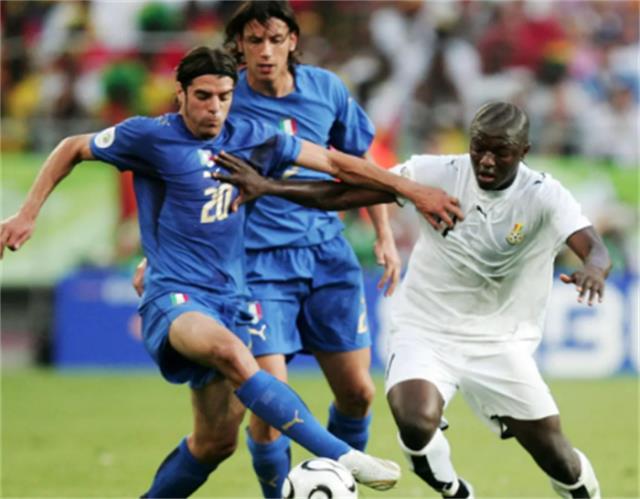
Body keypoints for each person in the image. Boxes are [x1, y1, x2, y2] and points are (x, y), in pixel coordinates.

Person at [0, 46, 464, 498]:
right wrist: (27, 214)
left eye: (224, 96)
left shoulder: (251, 135)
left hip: (232, 298)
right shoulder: (150, 137)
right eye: (203, 96)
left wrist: (411, 191)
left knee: (215, 442)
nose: (215, 108)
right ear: (181, 94)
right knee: (233, 355)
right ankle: (344, 456)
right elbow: (72, 147)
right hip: (175, 296)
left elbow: (334, 162)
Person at [213, 101, 609, 499]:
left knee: (557, 457)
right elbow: (344, 194)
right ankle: (457, 493)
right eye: (479, 148)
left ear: (523, 151)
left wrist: (593, 270)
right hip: (425, 329)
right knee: (416, 421)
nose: (486, 161)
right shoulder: (436, 172)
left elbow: (594, 247)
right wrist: (270, 187)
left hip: (501, 341)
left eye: (500, 152)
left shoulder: (544, 195)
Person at [133, 3, 404, 496]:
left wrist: (383, 233)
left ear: (292, 41)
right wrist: (159, 256)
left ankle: (338, 485)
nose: (264, 51)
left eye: (275, 39)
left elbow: (356, 160)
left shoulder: (326, 89)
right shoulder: (223, 97)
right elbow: (183, 169)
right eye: (253, 41)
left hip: (327, 254)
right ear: (238, 45)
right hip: (256, 263)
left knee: (359, 393)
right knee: (267, 414)